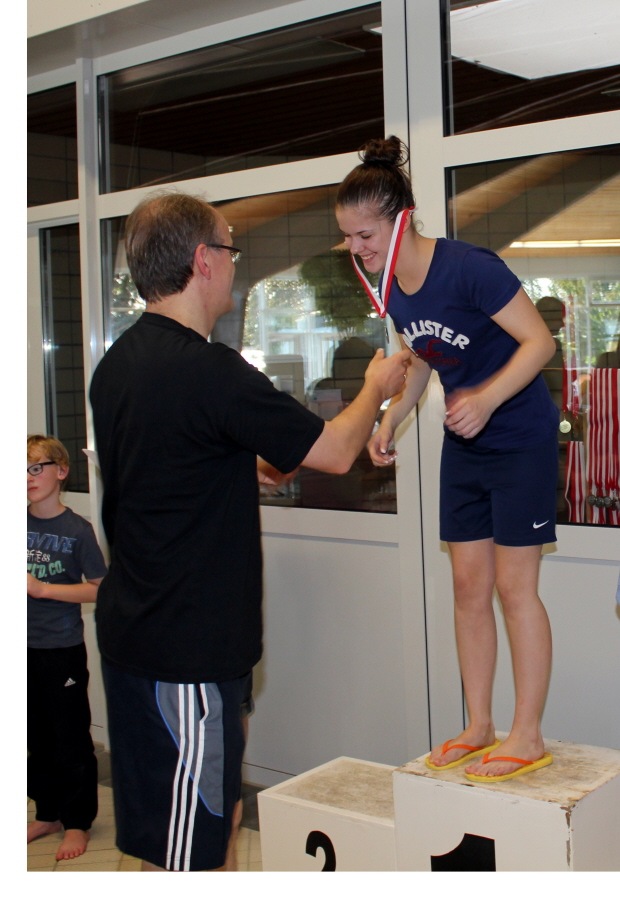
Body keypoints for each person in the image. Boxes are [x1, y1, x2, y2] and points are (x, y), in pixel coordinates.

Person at [89, 189, 410, 871]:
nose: (235, 265)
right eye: (231, 250)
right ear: (203, 260)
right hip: (182, 652)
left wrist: (238, 463)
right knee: (186, 851)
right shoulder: (209, 371)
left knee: (213, 818)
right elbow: (334, 452)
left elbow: (165, 465)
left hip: (154, 634)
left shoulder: (119, 363)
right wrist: (376, 387)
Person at [336, 136, 559, 782]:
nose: (356, 248)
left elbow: (539, 343)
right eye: (347, 237)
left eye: (365, 234)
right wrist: (390, 417)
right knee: (467, 586)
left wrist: (486, 399)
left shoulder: (469, 268)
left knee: (515, 587)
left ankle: (527, 732)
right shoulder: (394, 289)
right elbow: (420, 361)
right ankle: (479, 724)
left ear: (401, 219)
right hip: (466, 444)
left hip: (518, 437)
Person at [27, 434, 107, 859]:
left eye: (35, 468)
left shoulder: (77, 530)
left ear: (60, 471)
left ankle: (76, 822)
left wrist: (44, 590)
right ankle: (48, 812)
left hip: (60, 649)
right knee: (34, 734)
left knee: (69, 737)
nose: (27, 478)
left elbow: (99, 588)